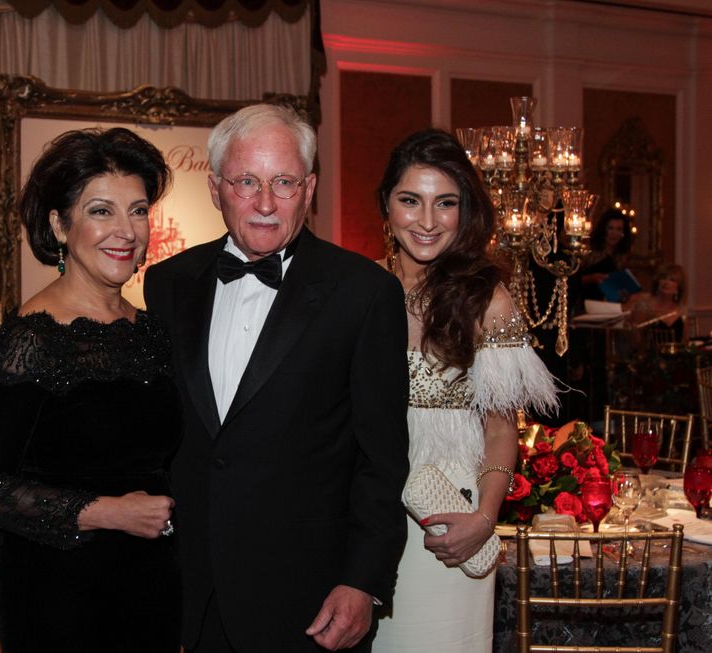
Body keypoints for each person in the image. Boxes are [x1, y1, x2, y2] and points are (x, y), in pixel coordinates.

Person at [144, 103, 409, 653]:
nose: (265, 203)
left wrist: (364, 581)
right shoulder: (167, 284)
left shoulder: (363, 294)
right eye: (246, 181)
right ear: (215, 188)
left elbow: (381, 460)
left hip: (308, 599)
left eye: (284, 182)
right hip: (193, 591)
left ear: (309, 189)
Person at [0, 128, 181, 652]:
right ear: (60, 225)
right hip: (60, 598)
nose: (125, 231)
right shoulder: (33, 336)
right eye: (101, 211)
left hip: (151, 587)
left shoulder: (150, 330)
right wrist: (110, 511)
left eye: (138, 210)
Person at [370, 129, 558, 653]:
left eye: (445, 203)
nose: (427, 221)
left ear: (466, 211)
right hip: (367, 512)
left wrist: (483, 519)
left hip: (449, 518)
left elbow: (502, 429)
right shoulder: (359, 290)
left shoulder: (488, 301)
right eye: (410, 200)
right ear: (386, 206)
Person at [579, 208, 634, 303]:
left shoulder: (624, 256)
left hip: (613, 304)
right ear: (603, 230)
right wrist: (592, 278)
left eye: (619, 229)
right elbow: (573, 280)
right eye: (610, 228)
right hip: (586, 301)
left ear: (623, 233)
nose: (614, 233)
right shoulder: (589, 251)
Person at [624, 262, 687, 341]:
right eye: (663, 278)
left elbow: (684, 340)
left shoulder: (681, 310)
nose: (666, 282)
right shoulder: (644, 305)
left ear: (678, 289)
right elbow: (637, 337)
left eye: (672, 280)